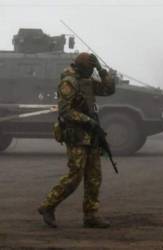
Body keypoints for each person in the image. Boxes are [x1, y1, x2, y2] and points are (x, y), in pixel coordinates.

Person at [38, 53, 115, 228]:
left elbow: (109, 89)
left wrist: (101, 70)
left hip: (91, 135)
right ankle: (48, 206)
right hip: (77, 135)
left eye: (92, 69)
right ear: (81, 68)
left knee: (94, 176)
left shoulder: (87, 81)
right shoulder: (69, 82)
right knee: (75, 176)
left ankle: (91, 215)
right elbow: (65, 111)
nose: (91, 72)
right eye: (90, 68)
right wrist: (89, 121)